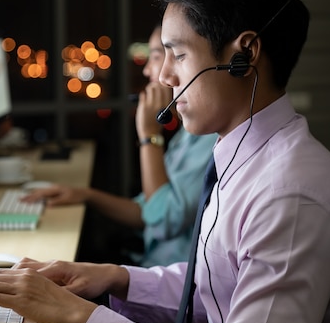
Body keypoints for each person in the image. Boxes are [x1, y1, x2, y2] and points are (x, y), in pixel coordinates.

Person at [0, 0, 330, 323]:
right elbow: (218, 287)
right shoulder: (247, 155)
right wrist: (111, 278)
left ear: (243, 57)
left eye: (180, 54)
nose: (164, 76)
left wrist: (77, 315)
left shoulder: (290, 196)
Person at [23, 25, 218, 267]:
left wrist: (148, 136)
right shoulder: (187, 136)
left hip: (165, 283)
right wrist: (85, 194)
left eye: (157, 56)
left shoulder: (209, 138)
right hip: (149, 266)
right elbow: (147, 210)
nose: (148, 70)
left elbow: (162, 219)